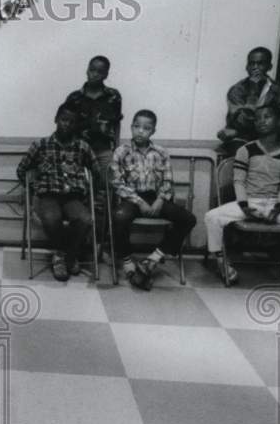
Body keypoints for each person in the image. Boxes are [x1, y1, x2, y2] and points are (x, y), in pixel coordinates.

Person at [205, 103, 280, 284]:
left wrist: (276, 210)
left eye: (267, 117)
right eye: (258, 118)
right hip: (248, 203)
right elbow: (239, 181)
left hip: (274, 205)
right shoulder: (246, 150)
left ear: (279, 122)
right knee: (211, 217)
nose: (261, 122)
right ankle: (222, 262)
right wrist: (245, 208)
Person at [109, 109, 198, 290]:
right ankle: (127, 263)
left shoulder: (161, 152)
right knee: (119, 217)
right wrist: (138, 201)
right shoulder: (121, 152)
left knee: (188, 219)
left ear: (153, 132)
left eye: (146, 128)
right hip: (132, 198)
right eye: (137, 127)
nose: (141, 131)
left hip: (156, 197)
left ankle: (153, 259)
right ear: (131, 127)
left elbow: (167, 180)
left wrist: (160, 199)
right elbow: (117, 183)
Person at [15, 104, 97, 281]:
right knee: (52, 219)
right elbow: (22, 170)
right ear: (56, 119)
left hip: (73, 197)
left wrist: (92, 191)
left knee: (85, 219)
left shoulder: (82, 146)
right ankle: (60, 255)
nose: (67, 125)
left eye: (72, 122)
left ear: (76, 125)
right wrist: (33, 189)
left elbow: (96, 171)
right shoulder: (41, 145)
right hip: (48, 196)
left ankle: (69, 254)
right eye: (64, 120)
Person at [216, 46, 280, 156]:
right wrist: (253, 92)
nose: (255, 68)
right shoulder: (237, 90)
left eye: (260, 63)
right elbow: (240, 123)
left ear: (269, 67)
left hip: (270, 140)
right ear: (246, 66)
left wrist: (237, 132)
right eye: (251, 64)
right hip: (242, 141)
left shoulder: (279, 91)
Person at [61, 55, 123, 173]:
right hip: (79, 150)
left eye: (100, 72)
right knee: (81, 185)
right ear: (87, 70)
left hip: (104, 150)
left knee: (106, 185)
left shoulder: (114, 96)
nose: (94, 74)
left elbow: (116, 123)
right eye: (92, 70)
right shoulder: (74, 97)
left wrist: (116, 147)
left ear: (106, 75)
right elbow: (65, 123)